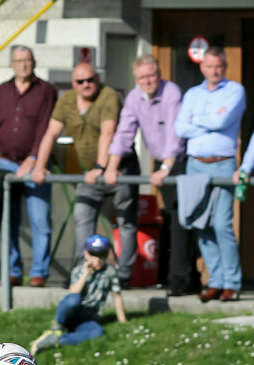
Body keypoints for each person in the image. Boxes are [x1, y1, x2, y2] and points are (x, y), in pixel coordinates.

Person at [33, 62, 136, 279]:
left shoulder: (107, 95)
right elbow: (51, 133)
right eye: (81, 81)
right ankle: (84, 270)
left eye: (91, 80)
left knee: (125, 220)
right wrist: (40, 166)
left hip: (119, 166)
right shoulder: (67, 100)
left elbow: (107, 132)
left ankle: (124, 274)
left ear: (98, 80)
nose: (86, 84)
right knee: (82, 215)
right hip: (90, 171)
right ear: (73, 83)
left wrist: (101, 166)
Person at [0, 45, 56, 287]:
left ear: (34, 63)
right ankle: (13, 271)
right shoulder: (2, 91)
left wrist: (34, 158)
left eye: (27, 60)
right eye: (19, 61)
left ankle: (39, 273)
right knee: (8, 220)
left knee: (40, 221)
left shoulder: (46, 91)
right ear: (12, 64)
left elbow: (46, 127)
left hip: (35, 165)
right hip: (5, 163)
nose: (23, 65)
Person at [105, 55, 193, 296]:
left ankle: (180, 280)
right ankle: (178, 276)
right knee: (173, 218)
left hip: (180, 161)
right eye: (142, 77)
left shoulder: (172, 92)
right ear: (136, 78)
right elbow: (124, 133)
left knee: (180, 219)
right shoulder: (134, 97)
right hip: (160, 162)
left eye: (152, 75)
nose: (148, 81)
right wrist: (111, 167)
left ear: (159, 74)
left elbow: (176, 136)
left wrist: (165, 168)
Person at [175, 46, 246, 303]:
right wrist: (207, 121)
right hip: (196, 164)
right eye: (210, 66)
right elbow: (180, 127)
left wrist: (197, 121)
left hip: (223, 164)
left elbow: (222, 122)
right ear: (201, 67)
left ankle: (232, 283)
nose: (214, 71)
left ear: (224, 67)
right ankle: (215, 282)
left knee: (221, 224)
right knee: (201, 225)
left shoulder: (236, 90)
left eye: (219, 66)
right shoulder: (192, 94)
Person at [29, 233, 126, 355]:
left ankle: (57, 339)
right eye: (94, 255)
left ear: (107, 255)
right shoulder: (79, 270)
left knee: (98, 332)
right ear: (86, 254)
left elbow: (117, 296)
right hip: (71, 314)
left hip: (87, 319)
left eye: (102, 255)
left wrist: (123, 322)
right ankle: (57, 327)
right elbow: (72, 294)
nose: (97, 259)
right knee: (73, 299)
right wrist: (86, 274)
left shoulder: (110, 272)